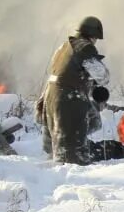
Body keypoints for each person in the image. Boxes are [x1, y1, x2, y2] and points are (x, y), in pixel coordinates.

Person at [38, 17, 110, 165]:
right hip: (68, 99)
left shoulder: (64, 47)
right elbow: (102, 76)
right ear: (93, 35)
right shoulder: (85, 47)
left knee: (59, 149)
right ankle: (69, 184)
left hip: (51, 97)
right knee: (73, 158)